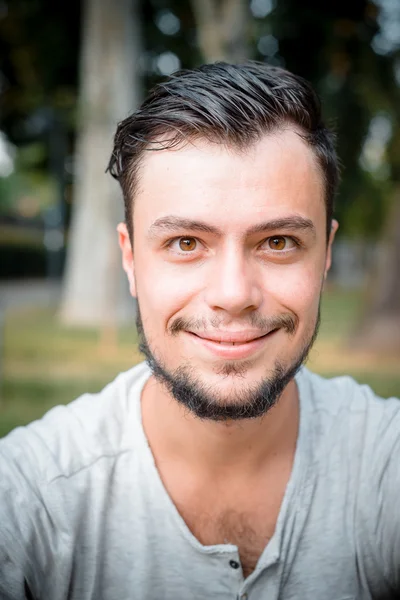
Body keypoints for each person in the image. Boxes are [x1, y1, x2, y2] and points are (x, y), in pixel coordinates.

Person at [1, 62, 399, 600]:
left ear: (325, 253)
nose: (233, 293)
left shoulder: (385, 465)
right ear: (131, 258)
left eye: (278, 242)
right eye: (186, 243)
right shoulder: (27, 501)